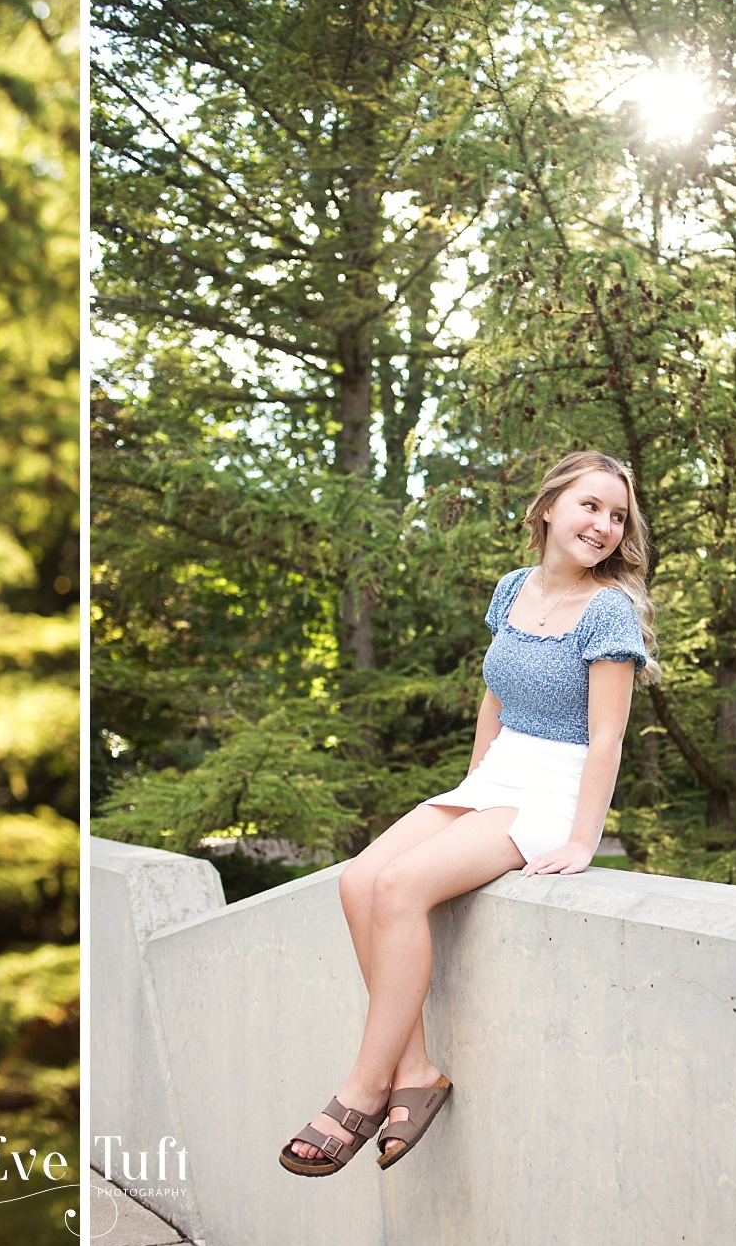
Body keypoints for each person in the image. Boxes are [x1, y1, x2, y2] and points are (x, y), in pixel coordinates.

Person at [280, 449, 658, 1177]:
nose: (605, 526)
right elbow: (496, 694)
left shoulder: (609, 610)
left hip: (555, 785)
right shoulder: (513, 588)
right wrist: (470, 783)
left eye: (618, 516)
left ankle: (363, 1089)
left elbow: (607, 738)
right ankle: (416, 1071)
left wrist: (585, 839)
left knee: (401, 887)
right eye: (591, 506)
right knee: (359, 880)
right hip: (497, 773)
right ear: (549, 507)